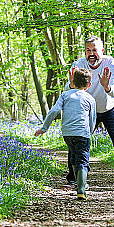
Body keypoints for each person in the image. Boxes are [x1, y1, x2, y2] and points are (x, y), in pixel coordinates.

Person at [66, 36, 114, 191]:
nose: (91, 54)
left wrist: (107, 86)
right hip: (88, 109)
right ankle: (73, 179)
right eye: (88, 50)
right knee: (77, 139)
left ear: (102, 50)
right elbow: (67, 90)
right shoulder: (78, 65)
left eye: (95, 50)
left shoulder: (111, 63)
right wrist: (71, 85)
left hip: (111, 107)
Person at [34, 68, 97, 200]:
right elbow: (92, 119)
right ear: (89, 85)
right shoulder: (90, 98)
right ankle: (81, 188)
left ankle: (79, 182)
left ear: (72, 82)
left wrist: (44, 128)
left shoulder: (65, 95)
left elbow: (53, 111)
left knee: (74, 157)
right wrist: (90, 132)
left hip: (67, 134)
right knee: (83, 160)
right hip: (82, 134)